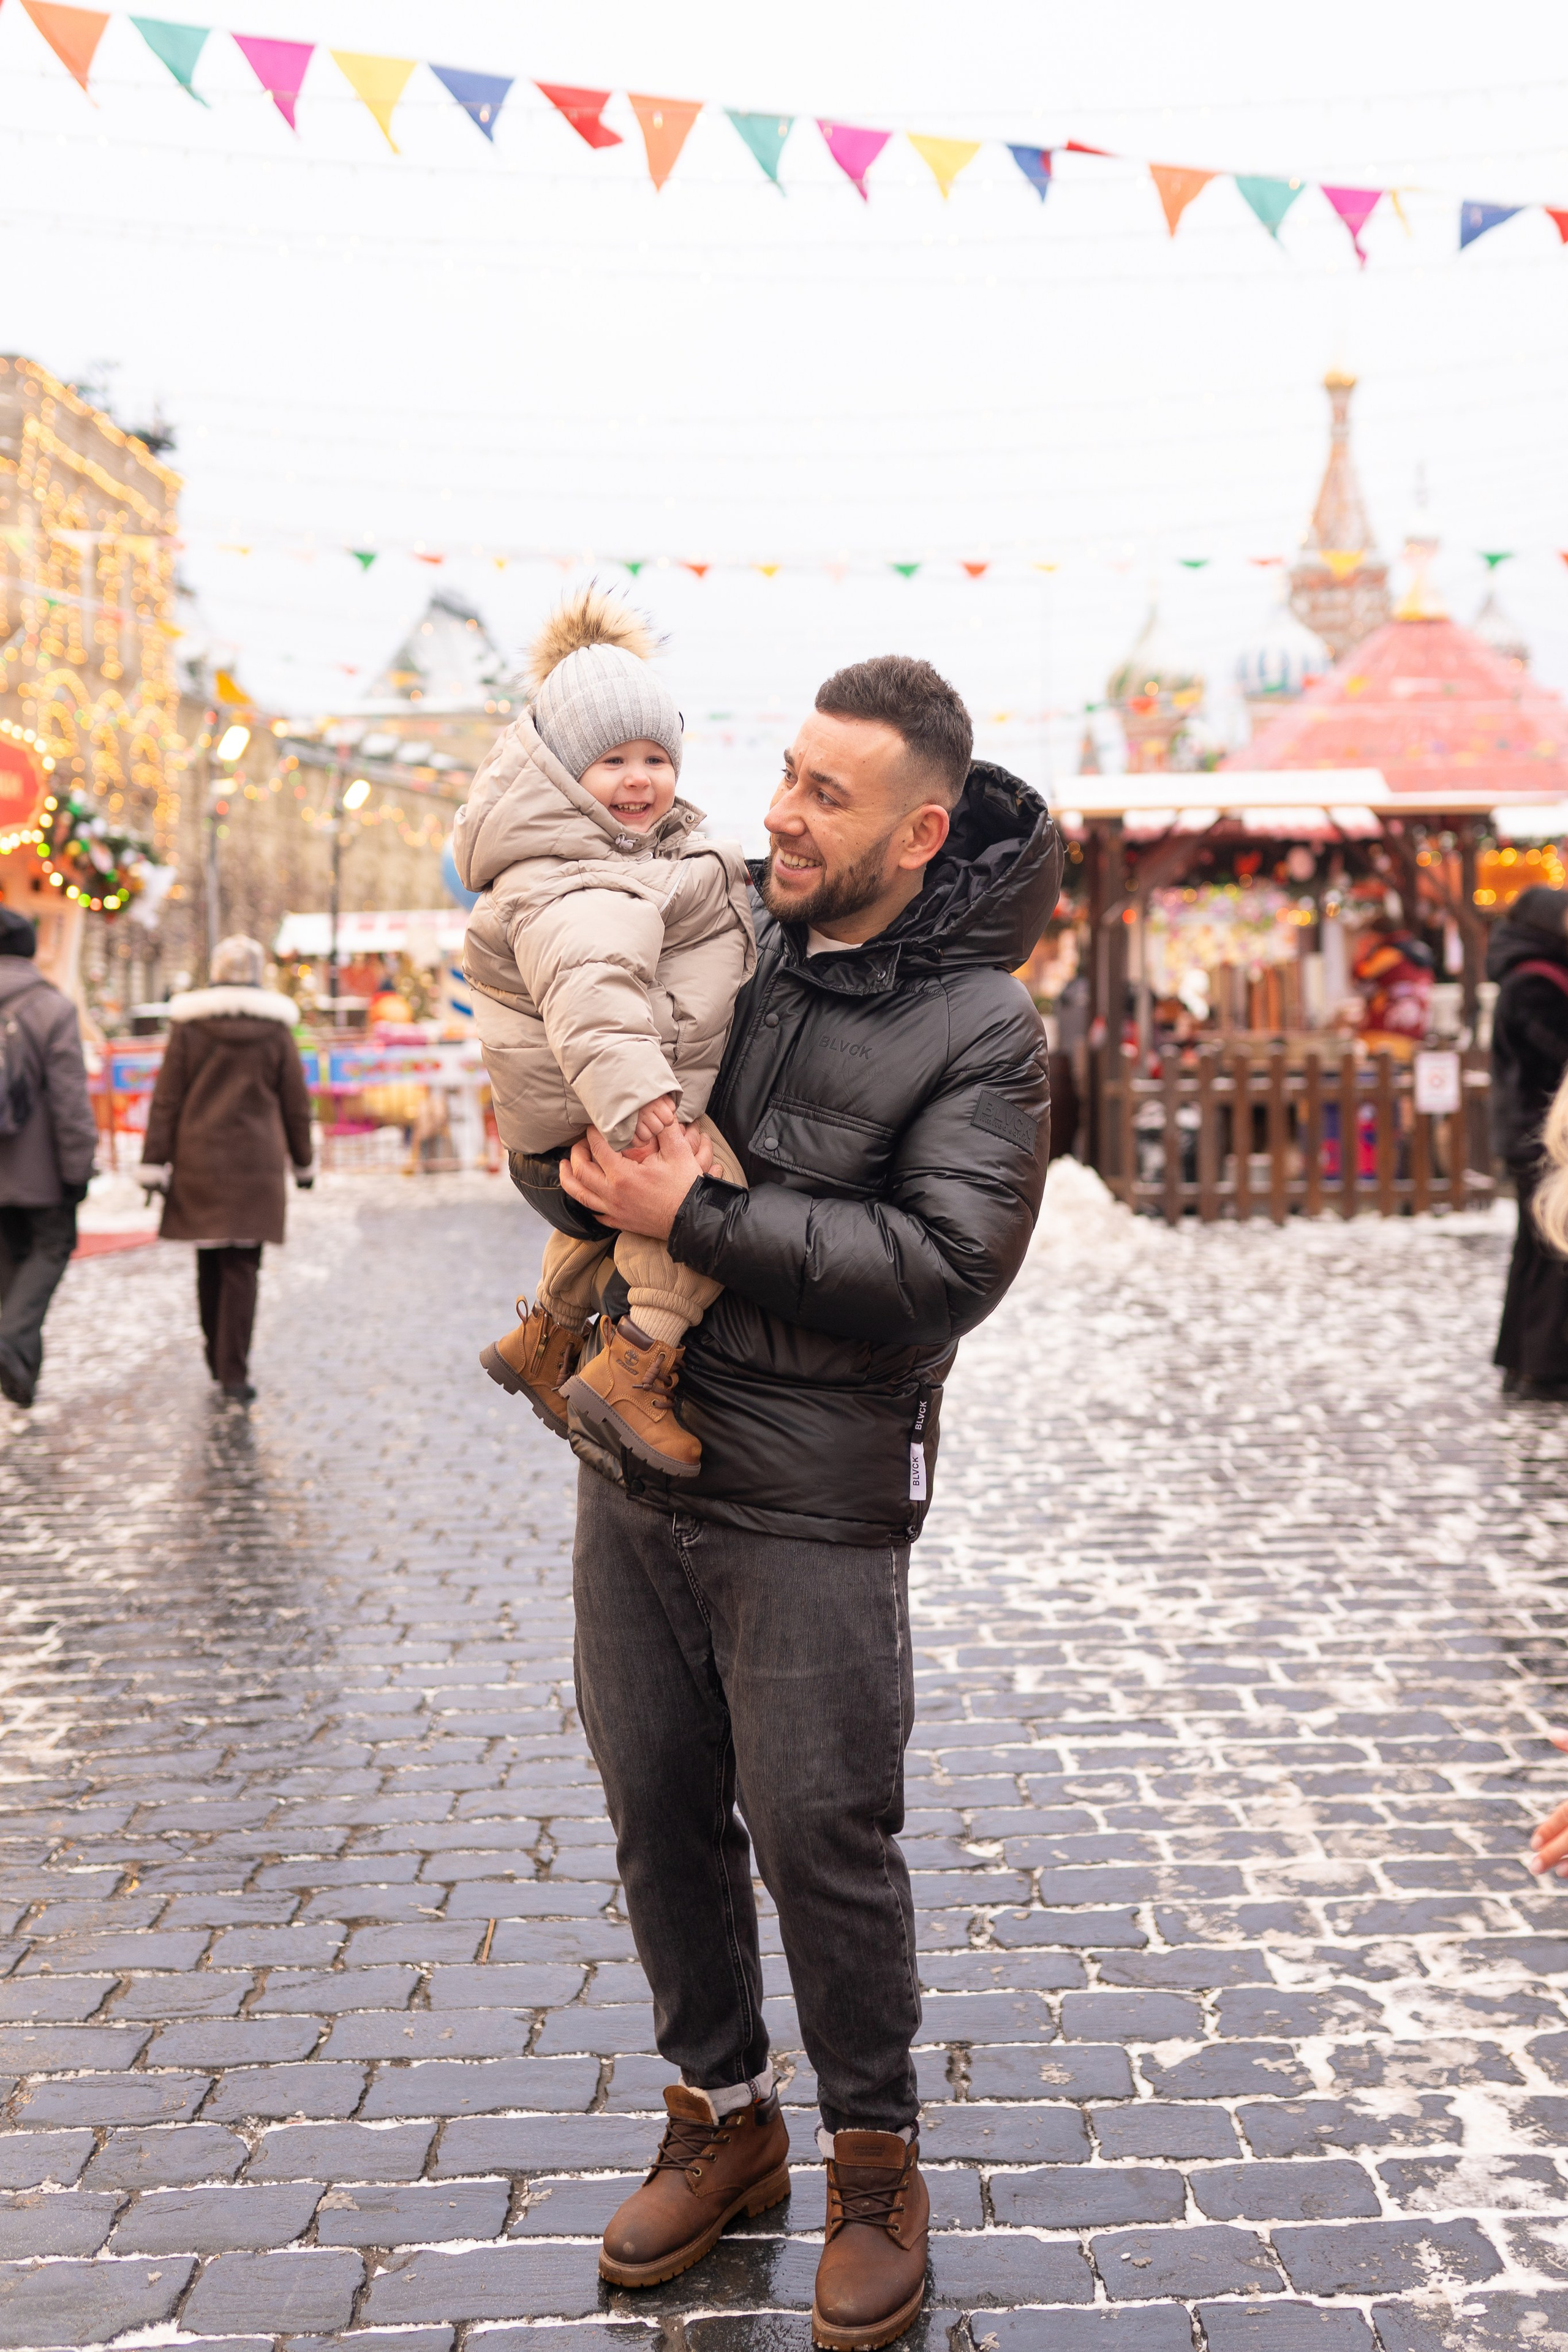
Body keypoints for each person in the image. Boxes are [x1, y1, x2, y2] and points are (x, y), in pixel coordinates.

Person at [511, 654, 1060, 2348]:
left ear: (921, 824)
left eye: (826, 795)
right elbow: (589, 1116)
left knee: (824, 1838)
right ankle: (722, 2118)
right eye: (784, 778)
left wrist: (699, 1211)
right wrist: (559, 1149)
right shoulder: (725, 925)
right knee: (657, 1809)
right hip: (637, 1451)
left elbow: (946, 1263)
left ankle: (874, 2165)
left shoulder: (985, 1025)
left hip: (814, 1492)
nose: (778, 815)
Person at [456, 588, 755, 1476]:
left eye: (658, 757)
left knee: (607, 1226)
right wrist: (648, 1109)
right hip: (614, 1097)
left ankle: (546, 1337)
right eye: (613, 760)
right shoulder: (578, 880)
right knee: (709, 1196)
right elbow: (594, 993)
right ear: (560, 775)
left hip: (578, 1108)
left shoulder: (608, 856)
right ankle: (636, 1364)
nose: (641, 780)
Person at [139, 935, 314, 1403]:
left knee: (209, 1259)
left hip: (199, 1160)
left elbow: (167, 1099)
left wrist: (154, 1162)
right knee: (242, 1264)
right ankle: (234, 1370)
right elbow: (296, 1103)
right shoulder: (275, 1030)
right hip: (255, 1165)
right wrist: (303, 1162)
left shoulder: (189, 1027)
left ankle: (216, 1357)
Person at [0, 905, 96, 1408]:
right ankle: (10, 1344)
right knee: (52, 1248)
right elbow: (69, 1102)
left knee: (11, 1265)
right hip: (39, 1173)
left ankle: (21, 1379)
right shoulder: (50, 1008)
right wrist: (78, 1171)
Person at [1488, 885, 1568, 1397]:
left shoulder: (1533, 977)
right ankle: (1544, 1365)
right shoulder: (1534, 983)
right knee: (1551, 1251)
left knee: (1537, 1249)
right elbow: (1556, 1048)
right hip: (1544, 1136)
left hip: (1535, 1131)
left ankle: (1523, 1360)